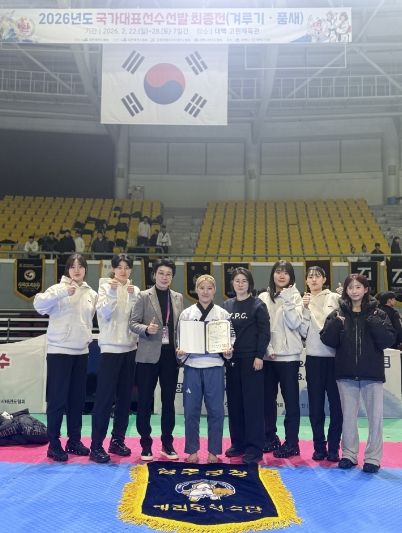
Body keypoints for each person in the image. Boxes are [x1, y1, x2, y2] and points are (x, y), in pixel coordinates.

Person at [320, 274, 395, 473]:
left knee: (375, 418)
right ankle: (349, 454)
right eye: (350, 287)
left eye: (358, 287)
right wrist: (336, 323)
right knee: (348, 417)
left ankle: (372, 458)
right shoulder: (338, 313)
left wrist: (374, 322)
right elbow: (327, 340)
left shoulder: (378, 313)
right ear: (346, 290)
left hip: (372, 373)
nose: (354, 291)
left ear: (365, 289)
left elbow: (388, 340)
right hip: (345, 373)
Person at [33, 253, 97, 462]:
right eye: (72, 266)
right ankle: (54, 444)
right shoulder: (56, 289)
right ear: (67, 269)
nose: (76, 270)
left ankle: (74, 441)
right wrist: (62, 292)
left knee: (77, 401)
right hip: (59, 351)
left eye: (80, 266)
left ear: (85, 269)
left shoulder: (91, 293)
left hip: (81, 352)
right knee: (57, 400)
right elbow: (38, 305)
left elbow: (89, 320)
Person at [129, 258, 183, 461]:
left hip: (171, 357)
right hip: (147, 356)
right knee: (144, 401)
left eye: (168, 274)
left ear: (172, 277)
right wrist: (146, 329)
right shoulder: (143, 296)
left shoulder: (177, 297)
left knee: (168, 402)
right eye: (161, 273)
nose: (164, 277)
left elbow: (180, 327)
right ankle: (145, 445)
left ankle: (167, 444)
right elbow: (132, 323)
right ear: (154, 275)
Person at [89, 254, 140, 463]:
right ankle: (96, 446)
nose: (123, 271)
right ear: (113, 269)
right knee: (104, 399)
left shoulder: (135, 290)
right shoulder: (103, 287)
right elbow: (105, 314)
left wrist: (133, 297)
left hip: (130, 349)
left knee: (125, 400)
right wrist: (112, 292)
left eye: (127, 267)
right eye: (119, 267)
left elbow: (137, 319)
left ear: (131, 270)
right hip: (110, 349)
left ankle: (117, 440)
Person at [177, 275, 233, 464]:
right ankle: (192, 451)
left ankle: (214, 452)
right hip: (192, 367)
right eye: (202, 288)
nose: (205, 292)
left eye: (209, 288)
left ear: (214, 290)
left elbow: (231, 338)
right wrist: (180, 351)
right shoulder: (186, 314)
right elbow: (179, 339)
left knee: (216, 411)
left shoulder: (222, 314)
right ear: (196, 290)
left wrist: (228, 351)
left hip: (214, 367)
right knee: (191, 411)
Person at [223, 268, 270, 464]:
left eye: (244, 281)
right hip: (232, 360)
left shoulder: (258, 305)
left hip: (252, 360)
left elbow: (265, 333)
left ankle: (254, 448)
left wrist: (259, 356)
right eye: (237, 281)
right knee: (235, 404)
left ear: (249, 283)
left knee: (253, 406)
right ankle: (238, 443)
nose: (240, 284)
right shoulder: (227, 305)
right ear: (232, 284)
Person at [258, 260, 303, 459]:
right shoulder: (263, 297)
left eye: (286, 272)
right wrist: (267, 348)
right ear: (273, 274)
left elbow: (295, 324)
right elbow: (261, 327)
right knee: (267, 402)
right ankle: (269, 438)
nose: (281, 275)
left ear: (291, 276)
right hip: (268, 357)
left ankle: (292, 443)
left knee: (291, 403)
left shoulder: (296, 296)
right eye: (278, 271)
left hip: (289, 358)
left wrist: (287, 300)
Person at [299, 266, 342, 462]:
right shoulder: (303, 300)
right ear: (306, 281)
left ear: (324, 279)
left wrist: (345, 297)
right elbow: (302, 331)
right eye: (310, 276)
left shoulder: (335, 298)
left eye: (317, 276)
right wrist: (304, 309)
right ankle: (319, 447)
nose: (314, 279)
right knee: (316, 407)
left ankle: (333, 447)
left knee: (336, 407)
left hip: (334, 359)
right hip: (313, 358)